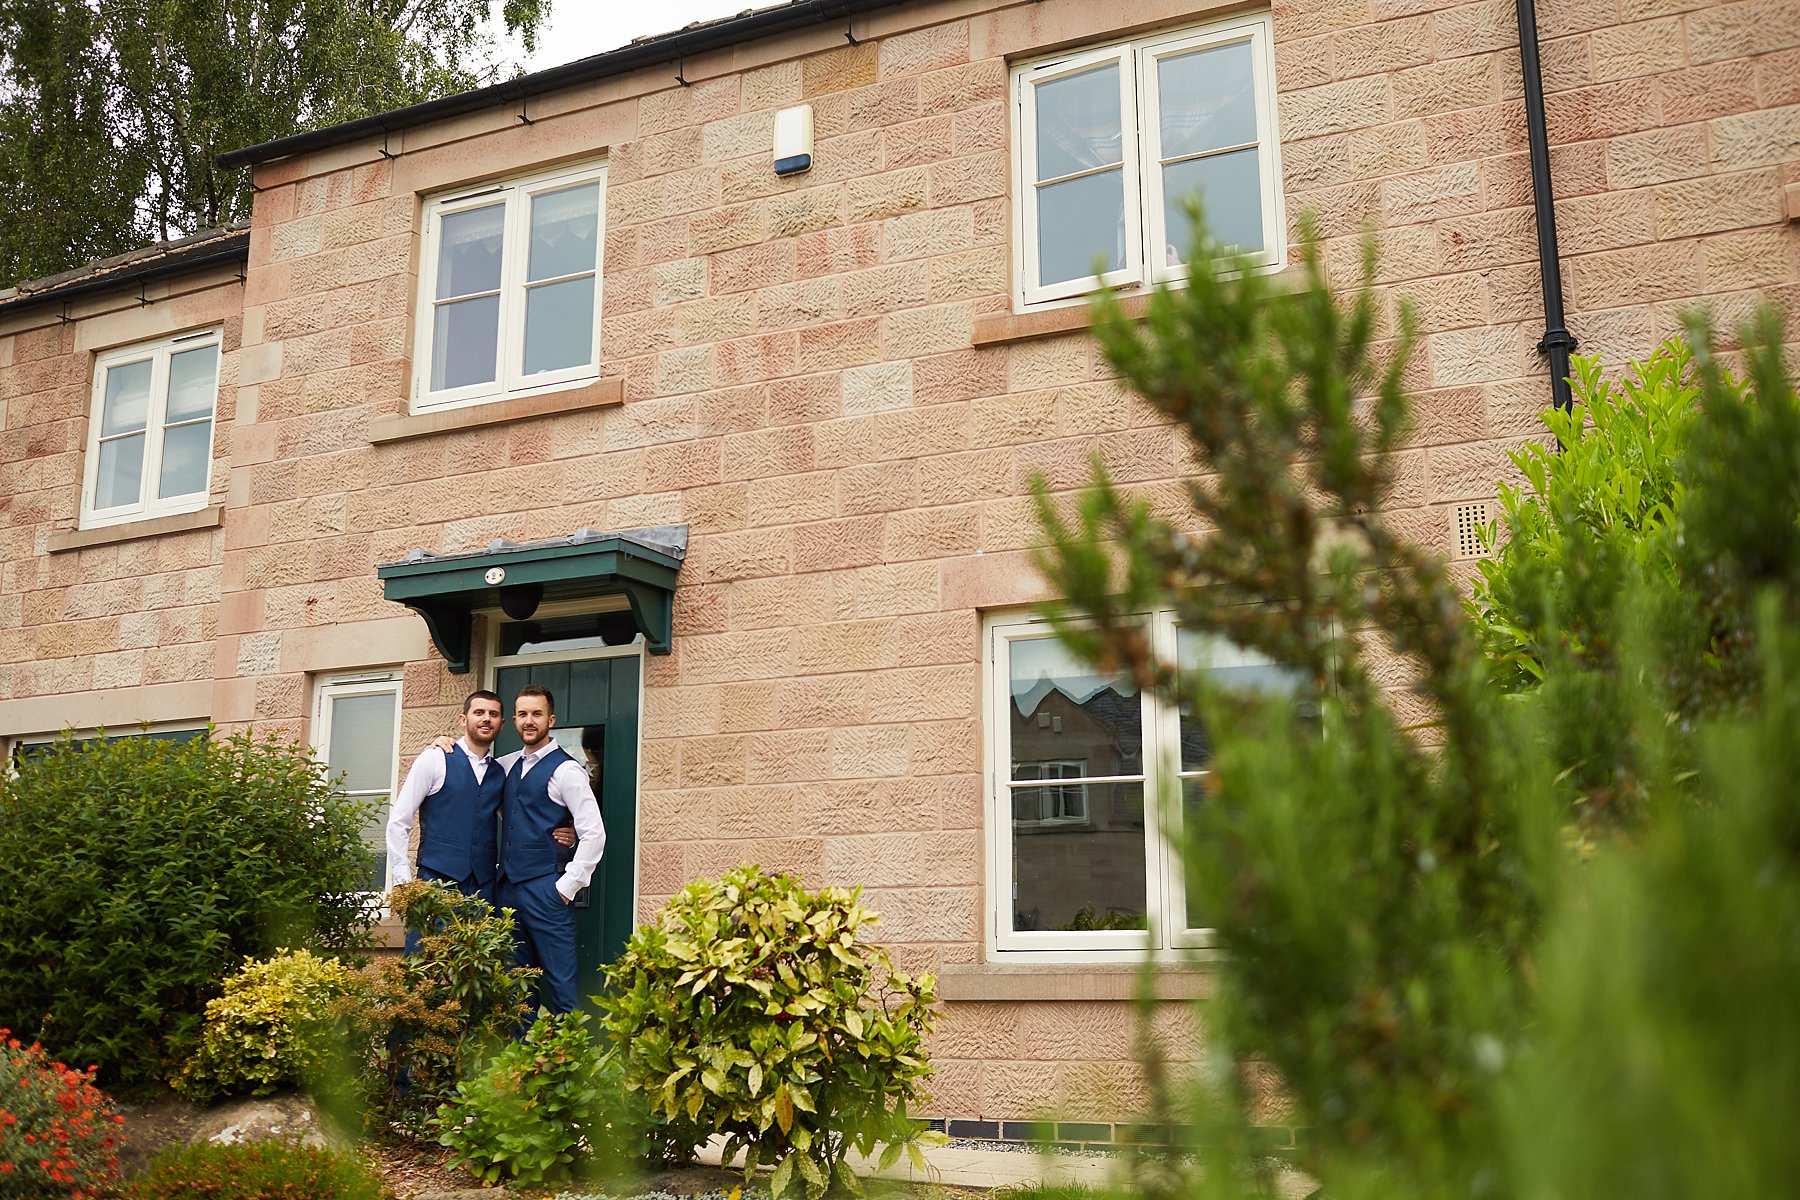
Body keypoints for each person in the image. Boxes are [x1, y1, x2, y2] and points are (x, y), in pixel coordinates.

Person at [494, 684, 604, 1015]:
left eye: (537, 714)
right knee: (515, 986)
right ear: (514, 720)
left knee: (560, 987)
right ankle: (520, 1063)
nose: (530, 721)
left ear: (550, 719)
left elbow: (594, 833)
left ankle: (568, 1064)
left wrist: (567, 887)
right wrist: (443, 745)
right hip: (508, 890)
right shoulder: (506, 765)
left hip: (547, 888)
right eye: (523, 714)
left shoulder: (567, 770)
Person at [385, 689, 506, 903]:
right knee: (426, 937)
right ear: (463, 719)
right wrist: (402, 880)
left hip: (483, 888)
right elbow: (399, 820)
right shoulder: (434, 758)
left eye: (493, 714)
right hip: (437, 881)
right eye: (479, 712)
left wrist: (565, 830)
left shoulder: (501, 771)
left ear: (501, 724)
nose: (486, 719)